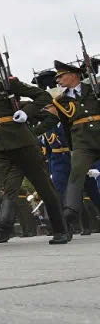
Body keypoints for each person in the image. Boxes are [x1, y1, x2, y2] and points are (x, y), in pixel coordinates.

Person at [0, 50, 69, 245]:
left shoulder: (9, 84)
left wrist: (27, 112)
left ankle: (61, 228)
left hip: (21, 142)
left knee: (43, 185)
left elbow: (43, 96)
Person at [42, 60, 100, 236]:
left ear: (74, 75)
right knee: (74, 178)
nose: (58, 80)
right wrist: (73, 148)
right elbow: (67, 126)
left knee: (92, 189)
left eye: (61, 76)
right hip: (81, 143)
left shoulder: (95, 89)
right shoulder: (60, 100)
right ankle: (68, 216)